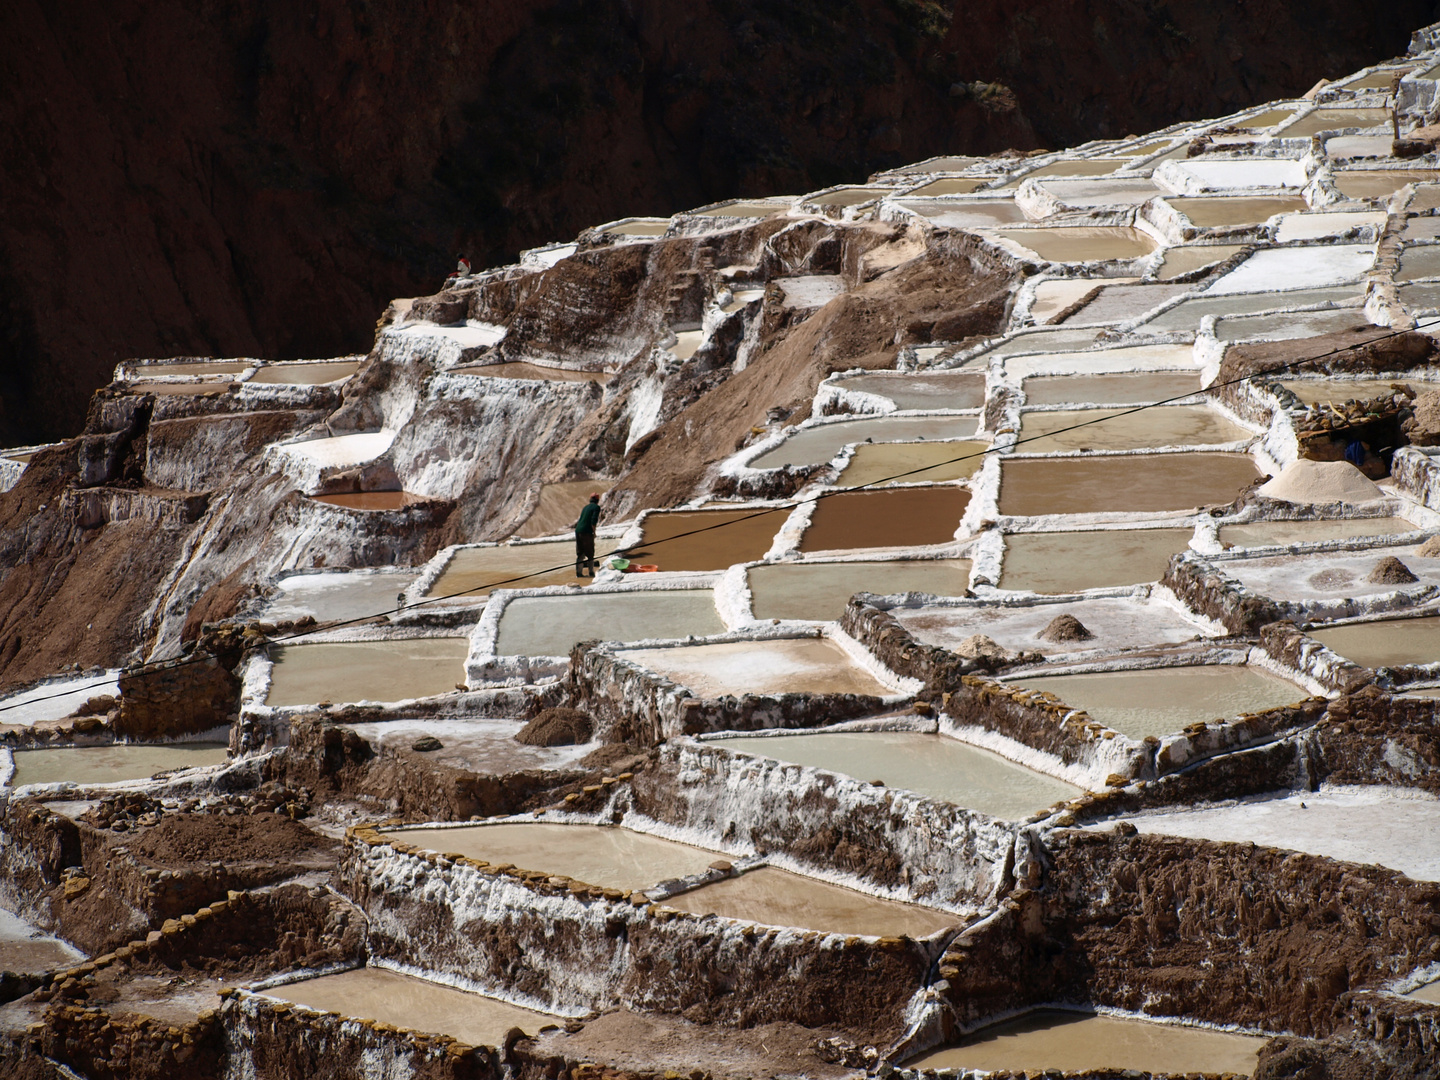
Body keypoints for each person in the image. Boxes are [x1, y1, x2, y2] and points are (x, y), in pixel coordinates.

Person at [574, 493, 602, 577]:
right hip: (586, 531)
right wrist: (594, 533)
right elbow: (593, 521)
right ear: (597, 500)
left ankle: (579, 574)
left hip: (578, 530)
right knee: (590, 553)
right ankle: (591, 573)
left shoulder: (585, 507)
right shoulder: (596, 507)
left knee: (580, 553)